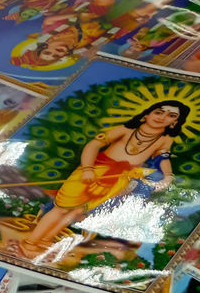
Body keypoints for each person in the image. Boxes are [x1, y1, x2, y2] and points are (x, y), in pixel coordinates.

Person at [17, 100, 187, 255]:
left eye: (171, 115)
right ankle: (30, 242)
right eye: (159, 112)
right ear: (147, 114)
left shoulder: (165, 140)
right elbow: (94, 144)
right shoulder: (126, 130)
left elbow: (162, 158)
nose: (163, 117)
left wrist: (168, 176)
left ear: (174, 122)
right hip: (94, 170)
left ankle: (47, 239)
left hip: (119, 179)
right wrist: (88, 169)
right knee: (61, 208)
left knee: (78, 211)